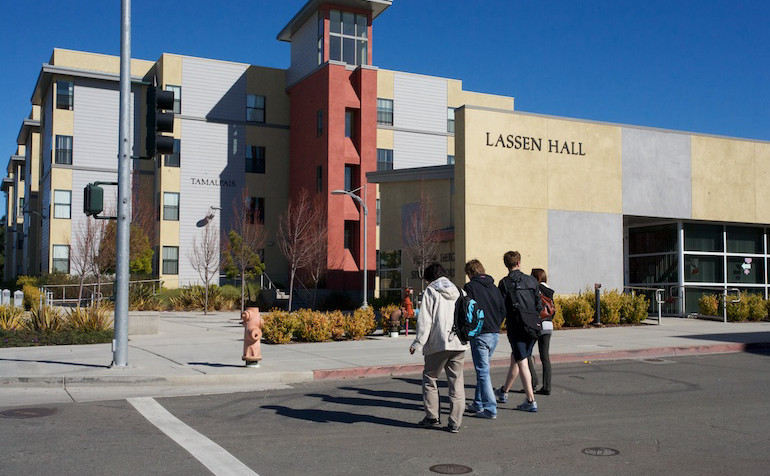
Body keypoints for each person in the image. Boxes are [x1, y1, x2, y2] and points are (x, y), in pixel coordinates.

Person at [409, 263, 468, 433]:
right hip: (459, 342)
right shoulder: (459, 290)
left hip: (438, 343)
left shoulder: (431, 291)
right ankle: (455, 422)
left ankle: (432, 417)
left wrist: (418, 343)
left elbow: (425, 320)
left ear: (430, 278)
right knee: (456, 382)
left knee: (430, 378)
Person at [496, 251, 542, 412]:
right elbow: (538, 304)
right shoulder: (531, 281)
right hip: (533, 325)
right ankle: (504, 391)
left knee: (522, 362)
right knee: (516, 358)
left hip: (516, 326)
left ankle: (530, 400)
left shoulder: (504, 283)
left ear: (506, 264)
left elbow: (500, 306)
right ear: (519, 262)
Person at [463, 259, 505, 419]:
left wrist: (468, 328)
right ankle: (478, 402)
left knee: (482, 372)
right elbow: (503, 309)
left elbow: (468, 309)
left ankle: (490, 408)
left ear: (470, 273)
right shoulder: (494, 288)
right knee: (484, 369)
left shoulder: (470, 287)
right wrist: (496, 324)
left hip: (480, 333)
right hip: (494, 333)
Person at [527, 268, 554, 396]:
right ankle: (547, 386)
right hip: (549, 324)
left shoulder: (535, 289)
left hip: (536, 324)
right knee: (545, 357)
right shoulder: (549, 291)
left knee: (526, 353)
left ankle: (532, 382)